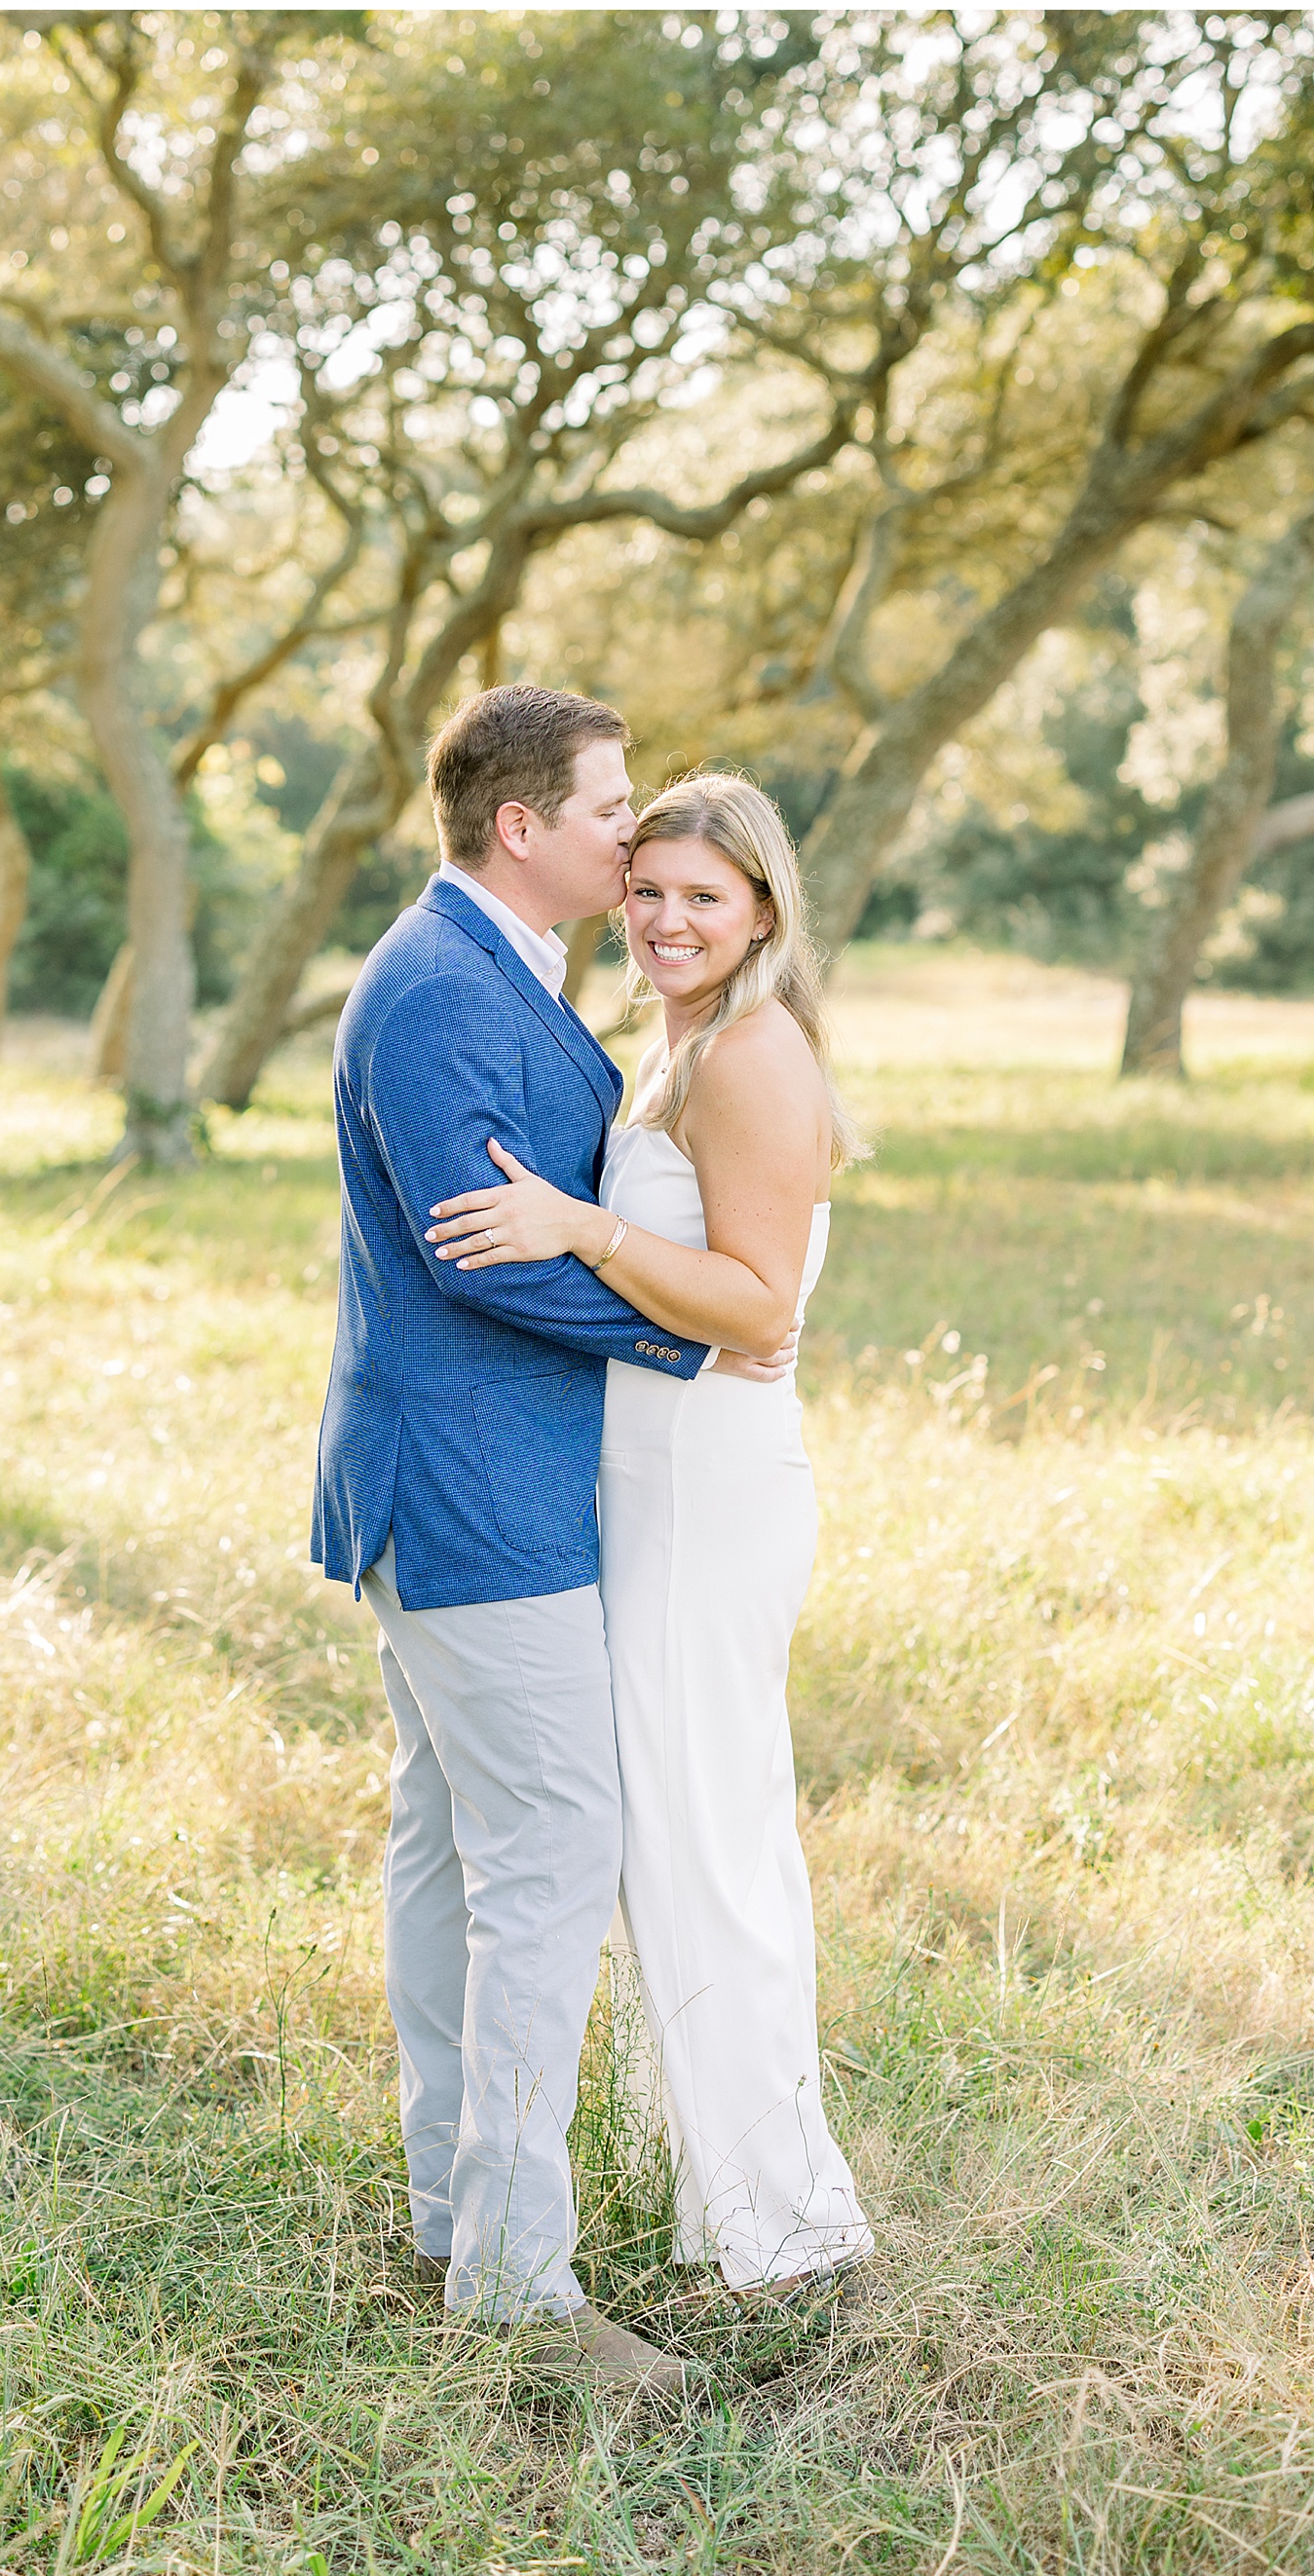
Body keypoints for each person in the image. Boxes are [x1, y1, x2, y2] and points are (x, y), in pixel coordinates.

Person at [312, 688, 790, 2393]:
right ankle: (518, 2289)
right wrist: (690, 1342)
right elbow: (475, 1248)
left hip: (484, 1480)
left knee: (454, 1846)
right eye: (608, 808)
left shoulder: (505, 965)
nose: (630, 831)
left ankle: (459, 2209)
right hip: (469, 1493)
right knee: (551, 1855)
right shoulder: (442, 983)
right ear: (522, 826)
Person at [427, 770, 876, 2301]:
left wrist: (583, 1227)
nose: (670, 918)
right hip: (649, 1477)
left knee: (713, 1845)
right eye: (652, 888)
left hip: (709, 1485)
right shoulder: (672, 1043)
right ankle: (724, 2196)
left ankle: (787, 2226)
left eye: (706, 895)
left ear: (762, 909)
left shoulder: (750, 1056)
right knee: (673, 1841)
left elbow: (762, 1307)